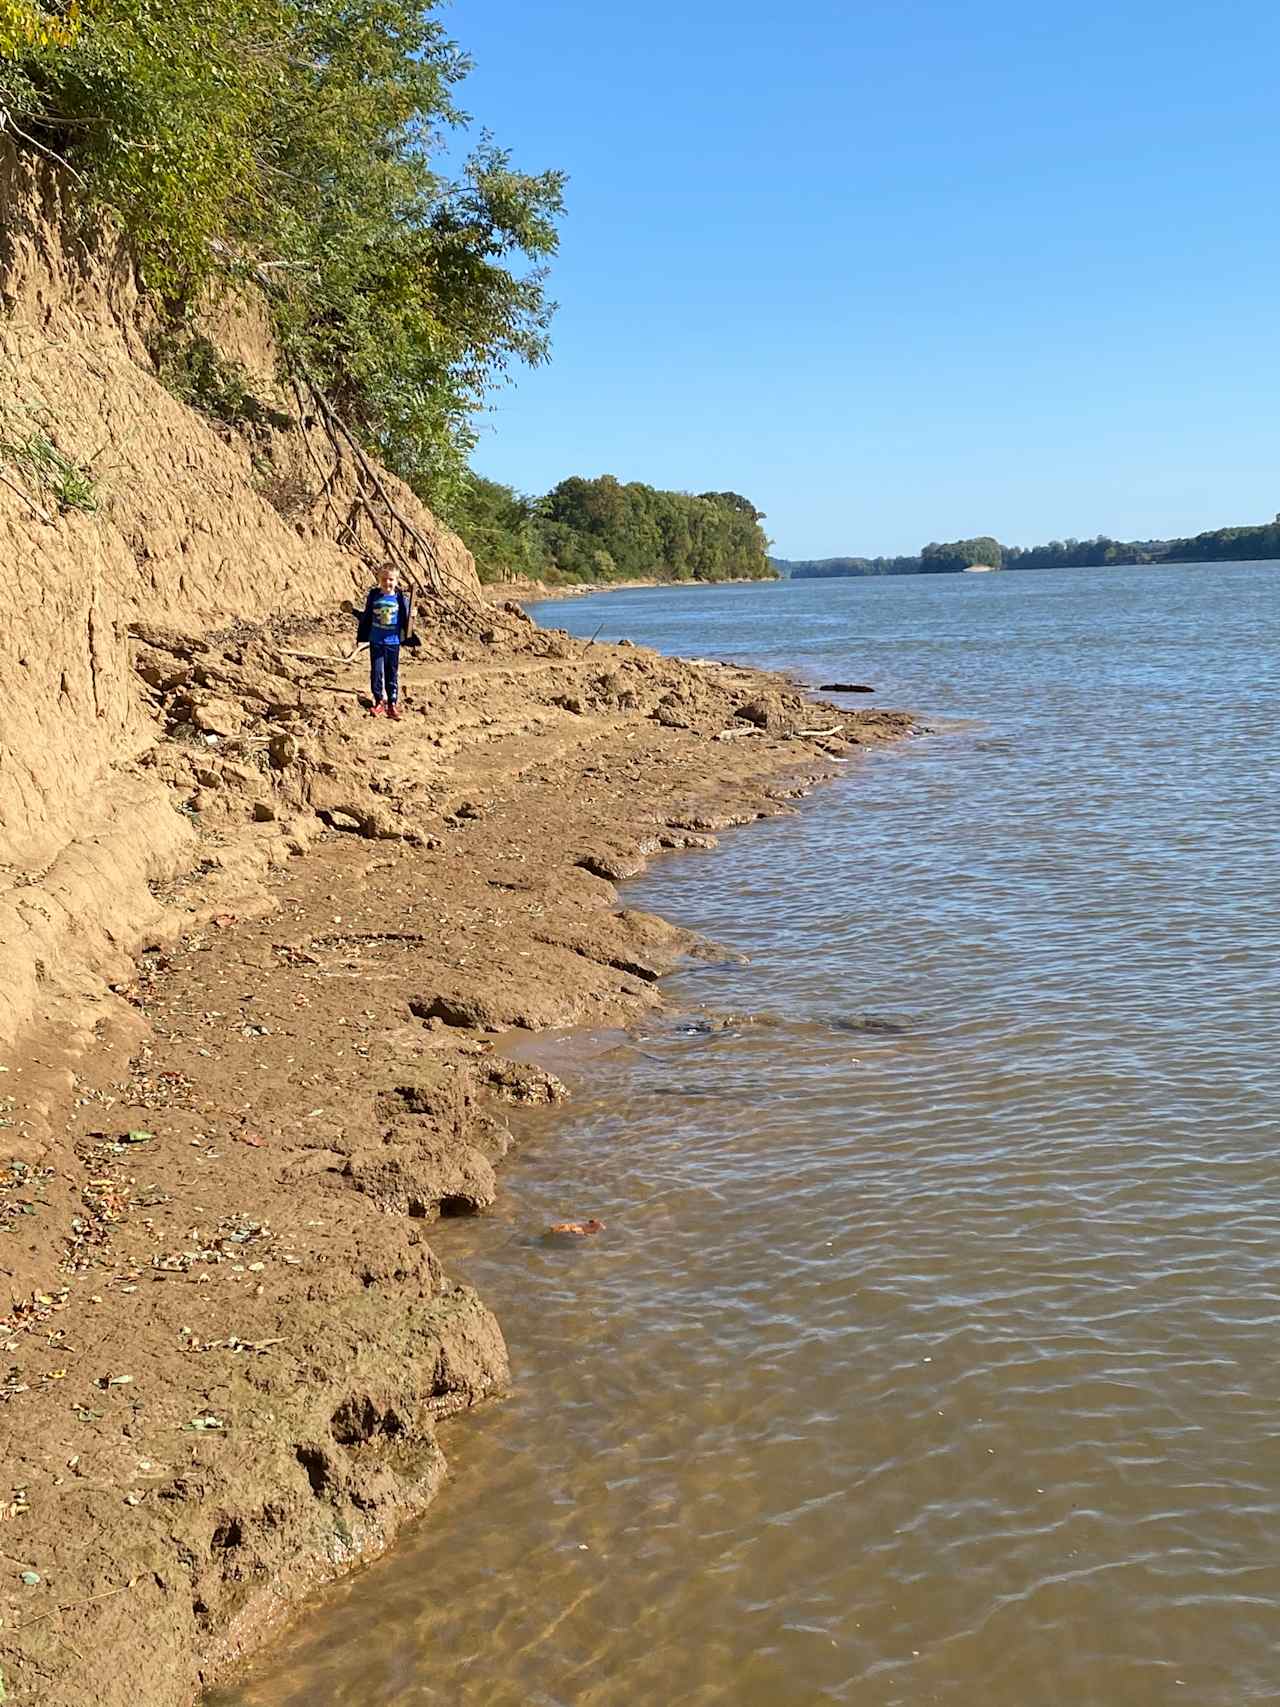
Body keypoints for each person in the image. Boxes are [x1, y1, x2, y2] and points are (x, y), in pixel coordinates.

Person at [355, 565, 412, 719]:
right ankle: (379, 701)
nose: (388, 582)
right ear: (379, 579)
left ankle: (392, 703)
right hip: (376, 641)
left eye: (391, 579)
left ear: (397, 580)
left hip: (393, 642)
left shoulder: (401, 599)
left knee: (391, 673)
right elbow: (366, 616)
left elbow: (407, 621)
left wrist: (408, 637)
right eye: (384, 579)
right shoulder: (374, 596)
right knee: (377, 672)